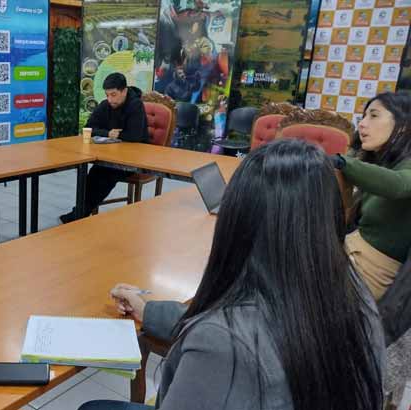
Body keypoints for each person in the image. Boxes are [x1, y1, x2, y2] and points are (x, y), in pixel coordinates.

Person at [82, 139, 384, 410]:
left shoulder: (223, 345)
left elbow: (227, 335)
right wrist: (149, 312)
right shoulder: (351, 291)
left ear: (237, 220)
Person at [330, 92, 411, 300]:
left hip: (371, 273)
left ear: (403, 125)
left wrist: (344, 163)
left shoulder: (404, 166)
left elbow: (397, 185)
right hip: (349, 249)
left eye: (373, 116)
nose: (363, 124)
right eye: (363, 117)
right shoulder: (377, 157)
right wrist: (354, 150)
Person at [60, 73, 149, 223]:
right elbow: (88, 128)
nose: (110, 99)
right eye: (107, 95)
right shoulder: (105, 105)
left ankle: (80, 214)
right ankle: (79, 212)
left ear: (124, 91)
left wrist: (115, 135)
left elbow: (134, 136)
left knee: (105, 175)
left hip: (134, 158)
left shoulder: (136, 105)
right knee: (94, 174)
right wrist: (108, 133)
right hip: (111, 155)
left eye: (114, 95)